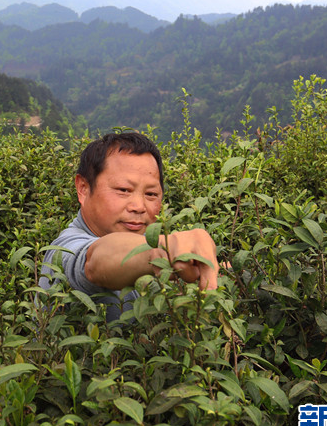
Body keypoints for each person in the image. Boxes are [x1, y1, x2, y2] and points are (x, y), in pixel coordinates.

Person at [42, 132, 219, 321]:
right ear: (83, 189)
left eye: (151, 194)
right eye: (123, 190)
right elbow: (93, 262)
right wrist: (161, 251)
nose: (139, 207)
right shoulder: (63, 251)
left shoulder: (139, 243)